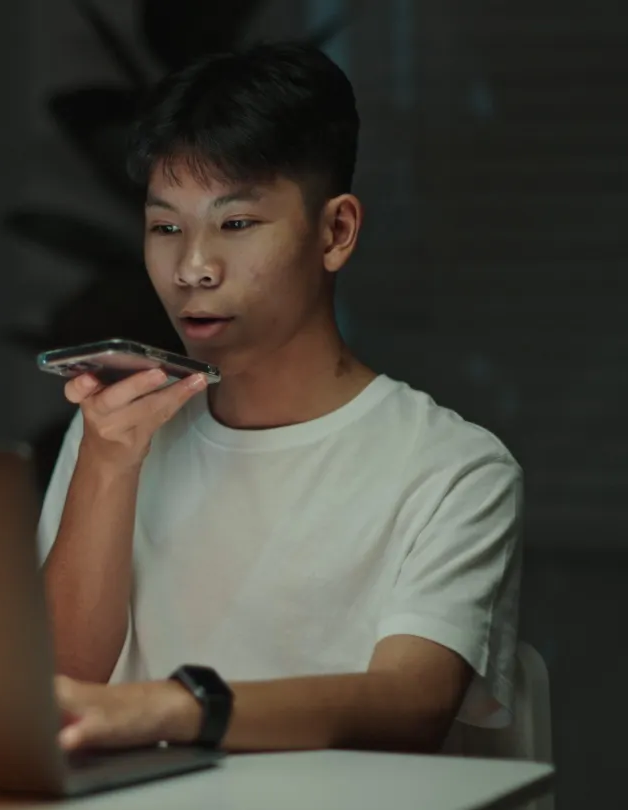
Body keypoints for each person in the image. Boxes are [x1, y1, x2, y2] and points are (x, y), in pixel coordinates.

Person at [40, 42, 523, 755]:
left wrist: (175, 709)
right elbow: (56, 685)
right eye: (166, 227)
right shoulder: (118, 432)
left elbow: (411, 702)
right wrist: (108, 465)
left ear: (336, 232)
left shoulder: (453, 468)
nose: (193, 267)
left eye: (236, 225)